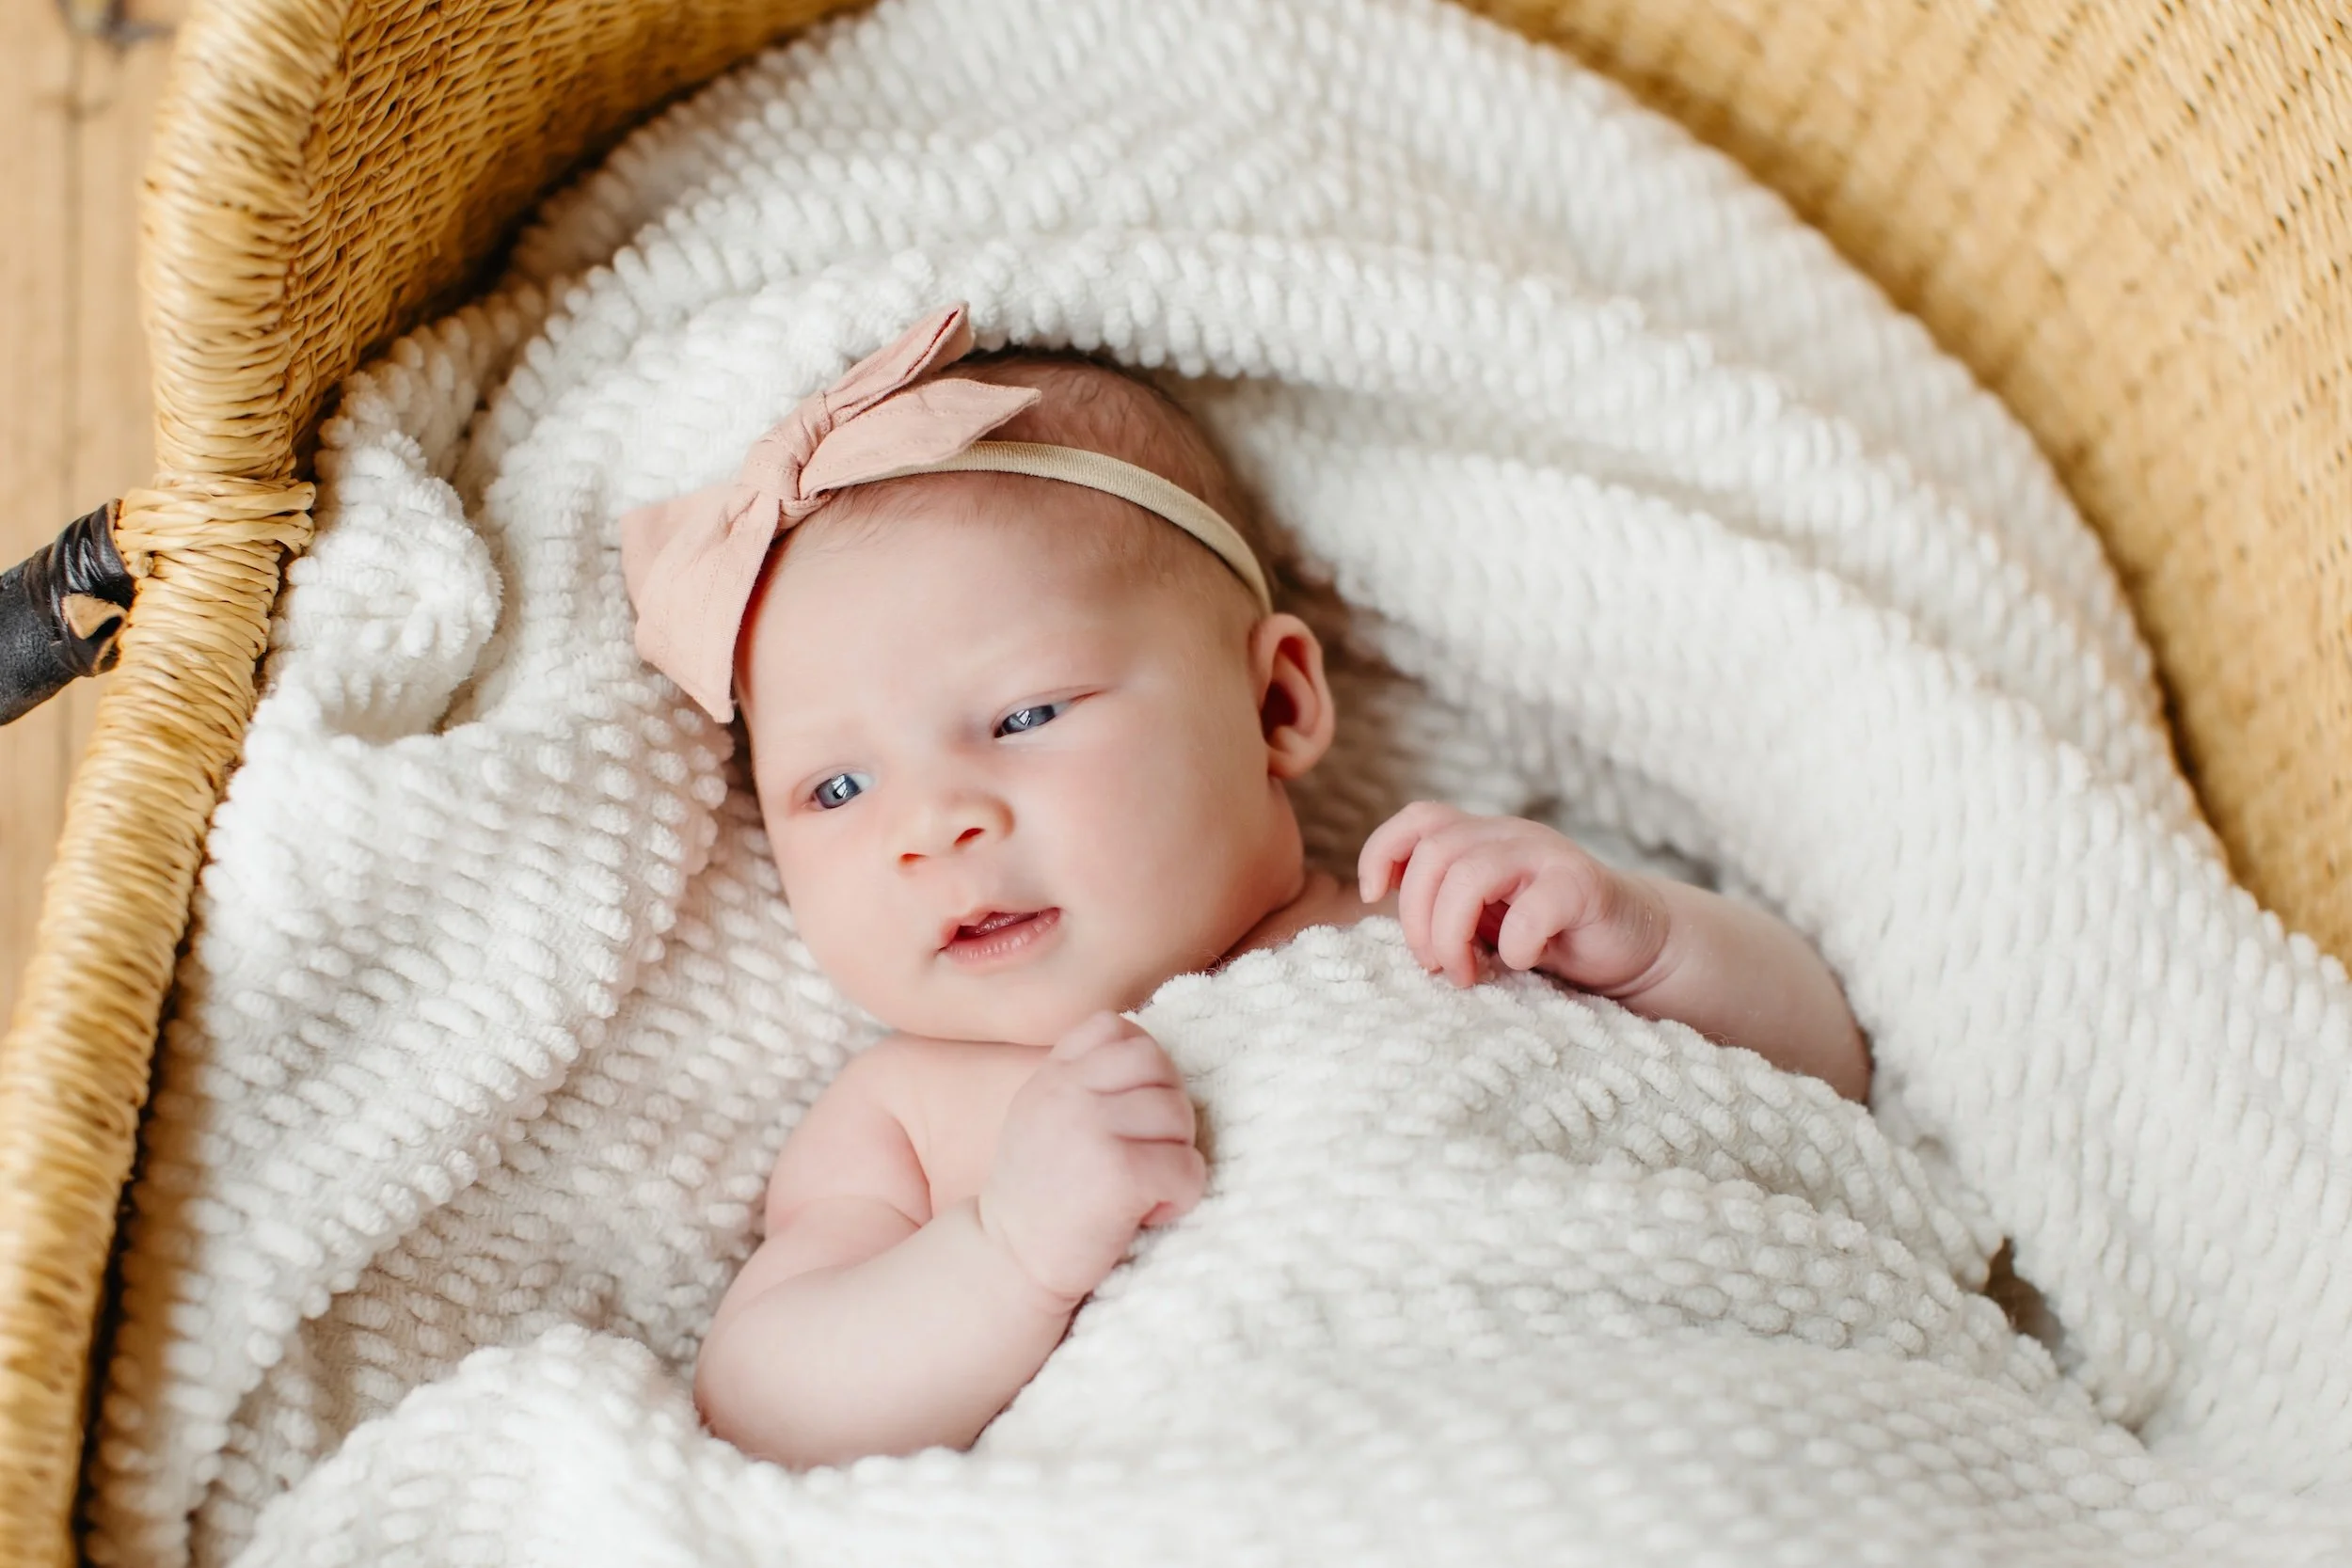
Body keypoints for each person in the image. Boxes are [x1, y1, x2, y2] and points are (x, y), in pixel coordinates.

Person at [620, 304, 1869, 1471]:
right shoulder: (909, 1116)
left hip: (1646, 1421)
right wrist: (1006, 1248)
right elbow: (771, 1406)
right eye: (836, 790)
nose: (933, 826)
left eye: (1023, 714)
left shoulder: (1441, 913)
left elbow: (1822, 1075)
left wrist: (1648, 945)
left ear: (1276, 702)